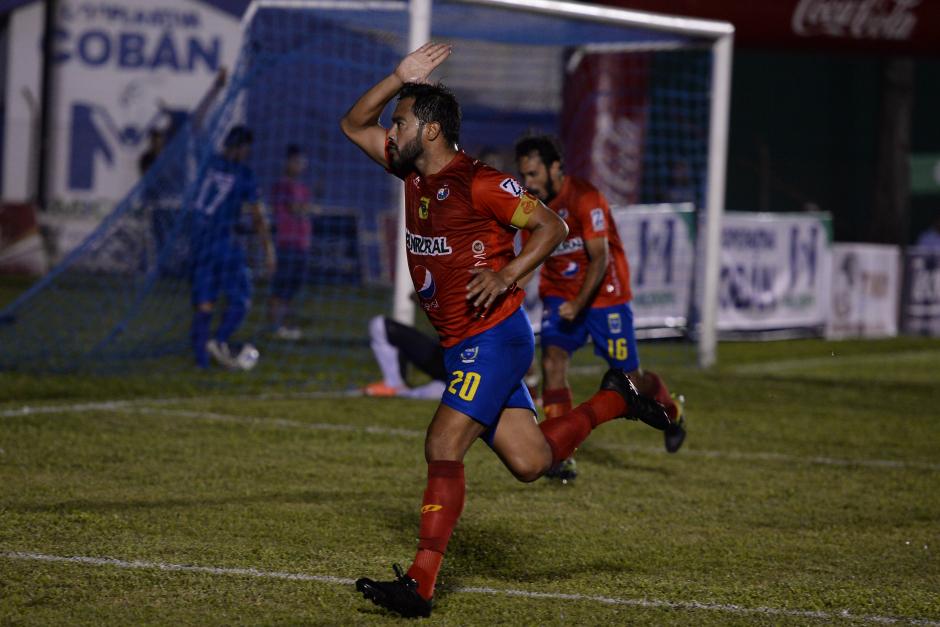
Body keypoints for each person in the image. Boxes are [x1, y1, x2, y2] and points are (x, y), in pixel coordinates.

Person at [340, 43, 675, 618]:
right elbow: (353, 123)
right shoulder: (408, 171)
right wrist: (399, 78)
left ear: (433, 129)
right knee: (532, 461)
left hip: (494, 338)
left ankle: (420, 584)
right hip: (463, 342)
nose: (391, 133)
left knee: (443, 442)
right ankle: (620, 398)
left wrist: (508, 273)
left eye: (402, 122)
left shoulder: (481, 182)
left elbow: (551, 223)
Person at [514, 134, 687, 483]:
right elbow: (529, 264)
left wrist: (579, 304)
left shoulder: (586, 197)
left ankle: (672, 411)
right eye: (523, 176)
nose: (527, 183)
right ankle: (559, 455)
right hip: (560, 296)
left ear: (555, 168)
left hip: (605, 295)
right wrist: (505, 291)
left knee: (630, 380)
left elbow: (599, 258)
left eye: (533, 175)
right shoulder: (533, 208)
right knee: (552, 362)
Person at [189, 125, 275, 369]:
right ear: (243, 147)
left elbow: (197, 124)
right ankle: (220, 339)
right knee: (241, 299)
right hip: (224, 243)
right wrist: (269, 251)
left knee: (204, 303)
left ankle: (202, 362)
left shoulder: (208, 162)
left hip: (199, 243)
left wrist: (216, 88)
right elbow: (258, 217)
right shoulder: (244, 175)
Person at [267, 144, 314, 340]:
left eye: (302, 163)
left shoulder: (303, 188)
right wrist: (306, 208)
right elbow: (296, 209)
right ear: (288, 163)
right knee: (280, 287)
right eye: (296, 162)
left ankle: (285, 326)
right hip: (286, 243)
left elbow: (304, 210)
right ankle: (274, 327)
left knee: (292, 288)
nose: (300, 166)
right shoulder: (282, 185)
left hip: (301, 244)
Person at [363, 315, 448, 400]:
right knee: (379, 325)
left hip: (455, 376)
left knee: (442, 395)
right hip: (439, 356)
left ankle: (399, 392)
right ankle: (393, 384)